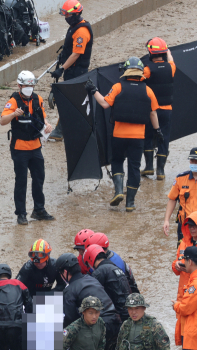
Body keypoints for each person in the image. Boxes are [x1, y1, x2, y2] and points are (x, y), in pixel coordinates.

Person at [86, 57, 161, 211]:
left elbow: (105, 104)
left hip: (119, 135)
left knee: (118, 161)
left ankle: (119, 191)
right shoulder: (148, 90)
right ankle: (130, 203)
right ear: (140, 73)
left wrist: (94, 90)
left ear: (126, 72)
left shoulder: (118, 87)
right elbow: (153, 114)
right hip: (138, 138)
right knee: (134, 167)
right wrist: (157, 131)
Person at [0, 71, 54, 225]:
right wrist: (13, 114)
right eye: (26, 85)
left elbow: (43, 119)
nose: (29, 88)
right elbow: (3, 120)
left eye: (31, 85)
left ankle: (39, 209)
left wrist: (48, 125)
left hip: (36, 147)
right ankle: (21, 214)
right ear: (19, 86)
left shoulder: (38, 99)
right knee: (21, 181)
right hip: (19, 148)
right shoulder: (14, 101)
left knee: (39, 179)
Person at [84, 244, 131, 350]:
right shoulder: (116, 268)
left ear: (90, 259)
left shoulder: (100, 272)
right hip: (127, 317)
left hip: (115, 319)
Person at [49, 0, 93, 141]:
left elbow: (76, 54)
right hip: (72, 70)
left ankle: (61, 131)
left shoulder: (81, 31)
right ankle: (65, 130)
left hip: (77, 72)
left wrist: (62, 68)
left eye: (68, 14)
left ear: (75, 14)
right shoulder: (74, 27)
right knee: (73, 100)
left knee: (71, 101)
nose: (65, 17)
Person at [141, 37, 176, 180]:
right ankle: (160, 170)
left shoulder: (147, 70)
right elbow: (171, 58)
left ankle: (149, 167)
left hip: (151, 110)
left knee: (148, 135)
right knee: (164, 138)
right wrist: (167, 51)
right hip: (167, 109)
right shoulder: (171, 68)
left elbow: (137, 79)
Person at [56, 253, 116, 329]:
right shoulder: (92, 279)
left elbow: (69, 320)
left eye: (60, 273)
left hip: (99, 327)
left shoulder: (69, 290)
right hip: (115, 321)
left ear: (65, 272)